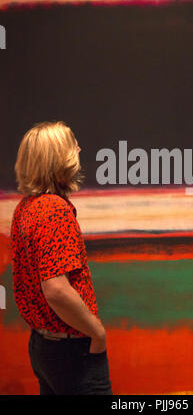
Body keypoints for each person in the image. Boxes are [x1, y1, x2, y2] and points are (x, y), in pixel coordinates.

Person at [10, 120, 113, 395]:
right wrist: (97, 332)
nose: (79, 148)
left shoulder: (26, 208)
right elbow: (55, 288)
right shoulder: (55, 210)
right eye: (73, 145)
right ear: (58, 159)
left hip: (43, 346)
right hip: (72, 350)